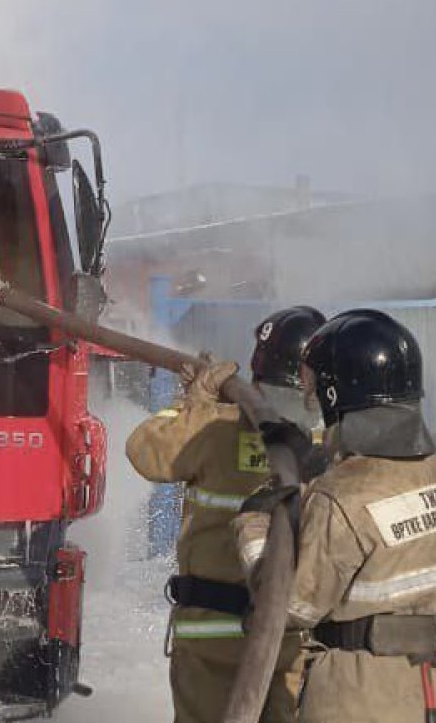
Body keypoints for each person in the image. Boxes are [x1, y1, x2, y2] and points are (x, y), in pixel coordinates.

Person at [235, 309, 436, 723]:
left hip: (362, 694)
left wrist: (255, 529)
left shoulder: (342, 497)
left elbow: (291, 607)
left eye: (314, 388)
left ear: (334, 395)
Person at [125, 305, 325, 723]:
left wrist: (192, 404)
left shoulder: (213, 426)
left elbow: (145, 451)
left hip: (211, 633)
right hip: (291, 639)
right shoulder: (327, 446)